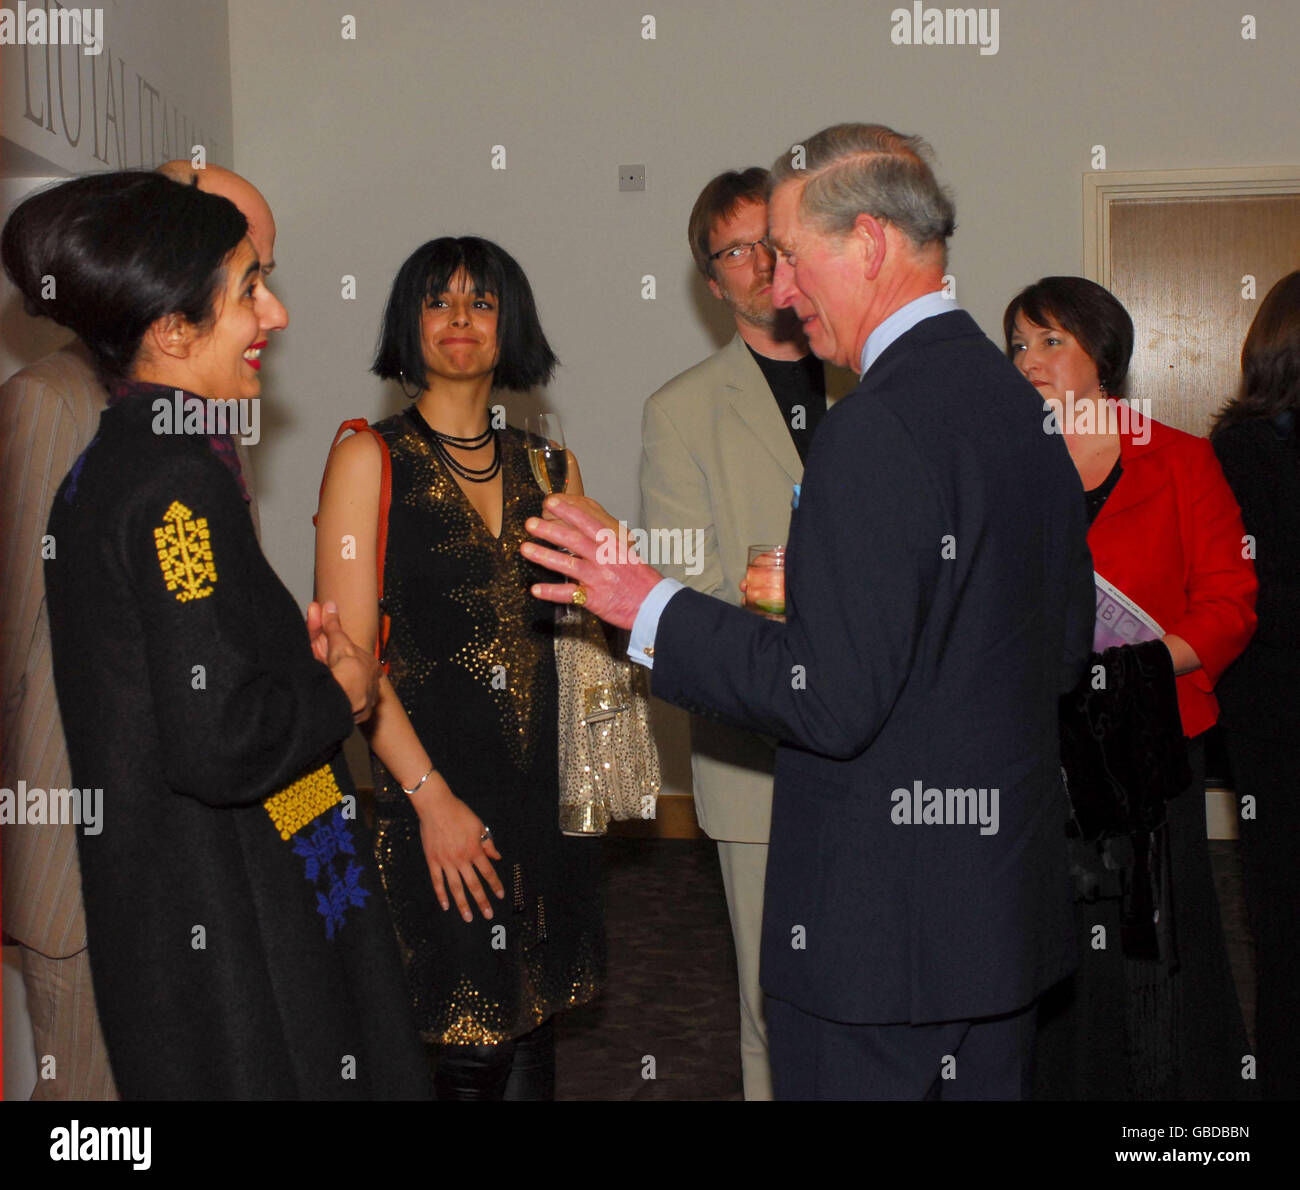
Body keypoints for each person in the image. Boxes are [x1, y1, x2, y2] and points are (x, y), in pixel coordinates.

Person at [523, 123, 1096, 1100]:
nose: (780, 291)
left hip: (878, 943)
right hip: (993, 919)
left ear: (866, 244)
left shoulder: (870, 427)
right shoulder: (1017, 404)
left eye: (789, 256)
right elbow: (1056, 646)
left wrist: (643, 600)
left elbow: (831, 698)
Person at [1, 170, 429, 1099]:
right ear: (172, 331)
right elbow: (218, 740)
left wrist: (284, 659)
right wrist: (343, 690)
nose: (273, 314)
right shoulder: (173, 483)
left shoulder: (118, 463)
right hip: (232, 934)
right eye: (248, 289)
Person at [0, 161, 278, 1100]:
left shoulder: (203, 413)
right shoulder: (51, 403)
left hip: (183, 842)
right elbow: (15, 639)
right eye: (247, 279)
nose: (267, 312)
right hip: (77, 837)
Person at [314, 236, 604, 1100]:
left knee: (535, 1024)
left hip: (543, 794)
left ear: (510, 324)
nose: (460, 321)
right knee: (469, 1037)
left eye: (482, 303)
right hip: (433, 790)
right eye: (439, 302)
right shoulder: (369, 457)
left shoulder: (552, 467)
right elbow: (350, 659)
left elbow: (580, 634)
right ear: (409, 322)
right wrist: (429, 797)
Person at [1005, 275, 1257, 1099]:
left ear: (1102, 354)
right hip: (1037, 748)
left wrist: (1142, 662)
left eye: (1050, 342)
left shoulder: (1181, 460)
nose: (1029, 360)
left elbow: (1229, 604)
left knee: (1155, 941)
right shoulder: (1003, 467)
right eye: (1018, 344)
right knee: (1051, 941)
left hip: (1150, 743)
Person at [640, 166, 854, 1100]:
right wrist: (803, 595)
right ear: (711, 278)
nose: (764, 263)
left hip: (892, 740)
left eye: (775, 239)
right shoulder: (680, 411)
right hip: (760, 749)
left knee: (891, 991)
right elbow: (688, 592)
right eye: (738, 250)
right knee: (779, 1001)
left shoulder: (872, 375)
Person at [1211, 270, 1300, 1100]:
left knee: (1277, 909)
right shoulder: (1242, 450)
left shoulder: (1237, 448)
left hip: (1264, 699)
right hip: (1275, 701)